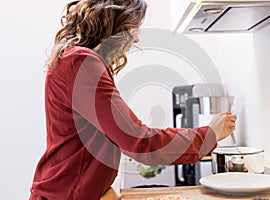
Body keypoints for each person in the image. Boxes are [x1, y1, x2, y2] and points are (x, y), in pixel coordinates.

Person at [29, 0, 237, 199]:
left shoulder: (75, 60)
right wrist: (210, 134)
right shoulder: (80, 62)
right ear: (115, 22)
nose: (136, 38)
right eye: (134, 27)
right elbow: (139, 141)